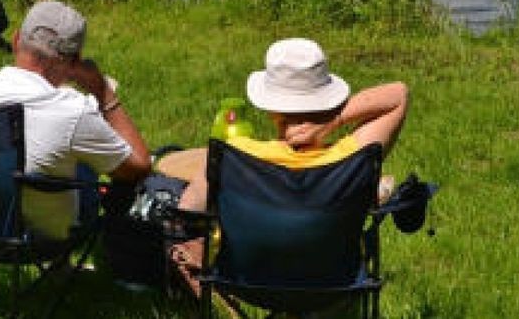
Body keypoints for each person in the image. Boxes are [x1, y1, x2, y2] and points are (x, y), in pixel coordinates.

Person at [164, 37, 409, 295]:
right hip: (336, 285)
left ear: (271, 108)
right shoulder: (350, 157)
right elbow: (399, 94)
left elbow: (187, 211)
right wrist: (335, 121)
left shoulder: (234, 157)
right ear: (328, 100)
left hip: (243, 283)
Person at [0, 0, 152, 240]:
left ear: (16, 39)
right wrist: (103, 91)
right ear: (75, 62)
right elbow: (139, 167)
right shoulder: (73, 112)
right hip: (34, 235)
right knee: (88, 161)